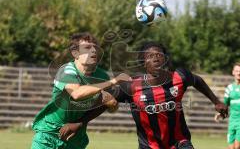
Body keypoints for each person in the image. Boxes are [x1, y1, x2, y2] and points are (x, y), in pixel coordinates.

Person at [59, 41, 228, 149]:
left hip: (180, 142)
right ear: (143, 63)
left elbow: (197, 80)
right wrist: (80, 123)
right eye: (150, 56)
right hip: (149, 146)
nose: (155, 59)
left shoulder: (180, 76)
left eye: (159, 55)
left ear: (165, 59)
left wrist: (216, 101)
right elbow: (104, 103)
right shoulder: (131, 85)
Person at [31, 32, 131, 149]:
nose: (93, 50)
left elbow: (107, 105)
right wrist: (113, 81)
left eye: (95, 47)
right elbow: (76, 94)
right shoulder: (66, 71)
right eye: (87, 47)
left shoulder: (102, 76)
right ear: (75, 53)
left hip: (76, 137)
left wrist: (112, 105)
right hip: (49, 134)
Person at [215, 63, 240, 149]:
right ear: (233, 72)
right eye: (237, 71)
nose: (239, 73)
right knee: (231, 147)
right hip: (232, 121)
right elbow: (225, 105)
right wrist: (220, 113)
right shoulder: (229, 88)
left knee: (237, 146)